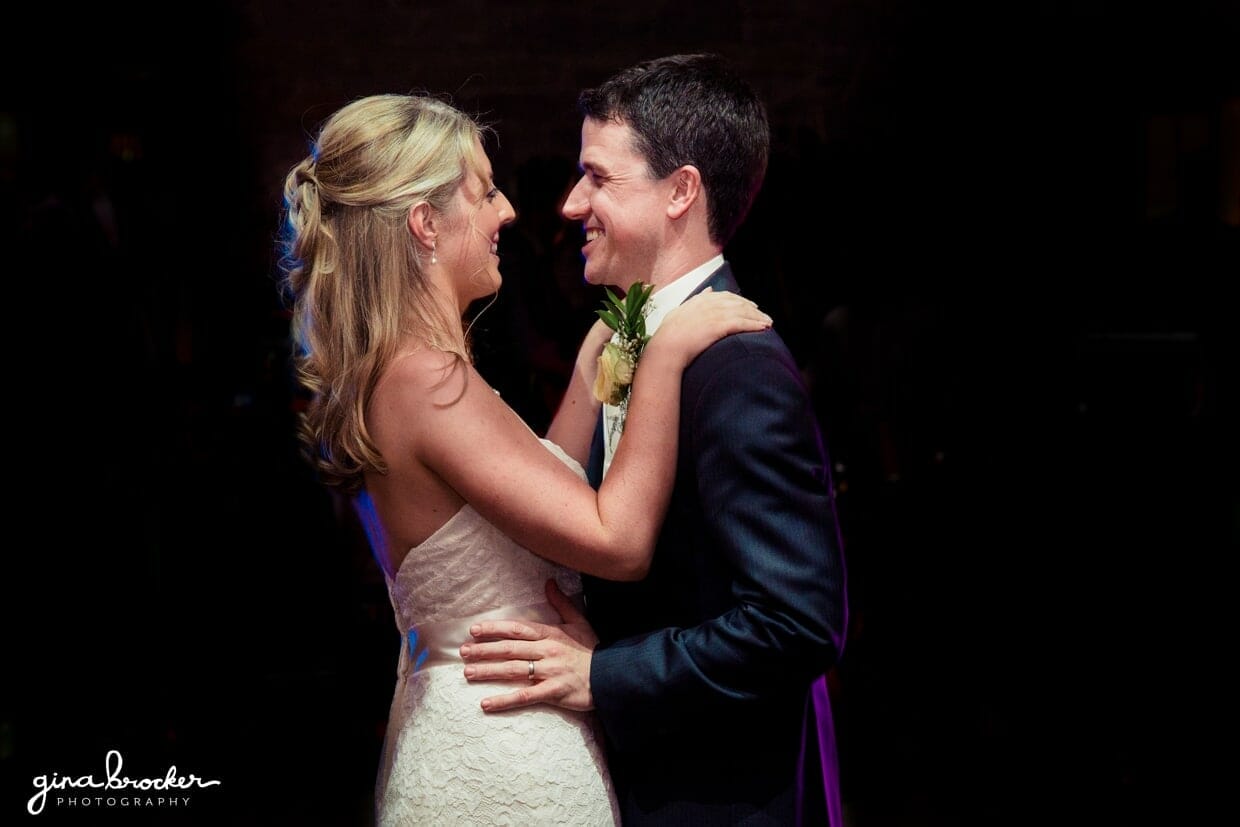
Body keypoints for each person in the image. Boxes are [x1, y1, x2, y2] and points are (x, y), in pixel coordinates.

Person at [276, 92, 771, 825]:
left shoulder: (414, 372)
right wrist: (664, 358)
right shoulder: (426, 380)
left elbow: (534, 494)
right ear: (424, 225)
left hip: (477, 729)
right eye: (484, 191)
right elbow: (617, 541)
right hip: (499, 757)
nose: (508, 211)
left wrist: (597, 357)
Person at [460, 54, 849, 825]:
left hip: (720, 798)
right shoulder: (624, 338)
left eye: (598, 178)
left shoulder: (735, 364)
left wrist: (604, 674)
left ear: (681, 191)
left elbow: (796, 621)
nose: (572, 204)